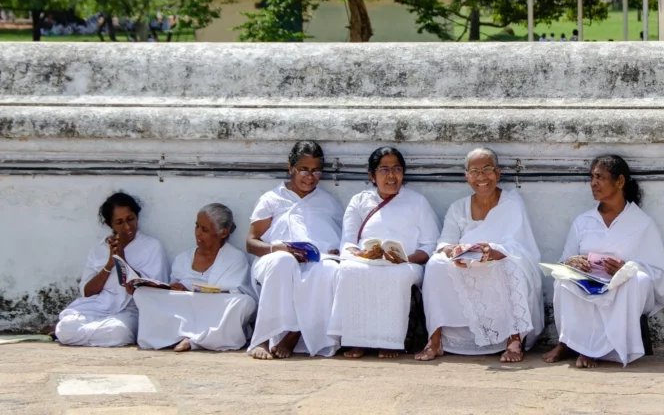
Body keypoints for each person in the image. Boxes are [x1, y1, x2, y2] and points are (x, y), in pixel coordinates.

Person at [416, 148, 543, 363]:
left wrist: (495, 252)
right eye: (474, 171)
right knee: (436, 264)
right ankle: (435, 340)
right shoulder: (458, 207)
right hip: (466, 262)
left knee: (509, 265)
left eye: (487, 170)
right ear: (466, 176)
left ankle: (512, 340)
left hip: (497, 260)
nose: (481, 177)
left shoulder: (511, 203)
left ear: (498, 173)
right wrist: (454, 251)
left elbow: (519, 246)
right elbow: (444, 242)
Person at [542, 155, 664, 368]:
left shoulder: (642, 223)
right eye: (591, 177)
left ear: (619, 182)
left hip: (623, 286)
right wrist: (573, 262)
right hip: (588, 283)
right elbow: (564, 260)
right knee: (563, 280)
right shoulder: (583, 221)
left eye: (600, 177)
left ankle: (601, 349)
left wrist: (626, 269)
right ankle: (569, 343)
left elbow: (657, 273)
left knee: (635, 281)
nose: (593, 183)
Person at [328, 146, 441, 359]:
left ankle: (390, 342)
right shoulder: (359, 201)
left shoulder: (417, 202)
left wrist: (404, 258)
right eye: (384, 170)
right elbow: (348, 243)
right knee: (348, 271)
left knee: (396, 276)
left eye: (396, 169)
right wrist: (361, 255)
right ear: (372, 176)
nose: (391, 176)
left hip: (406, 264)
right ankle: (357, 341)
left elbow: (429, 245)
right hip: (366, 261)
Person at [247, 140, 344, 360]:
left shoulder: (327, 202)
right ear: (290, 167)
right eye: (303, 170)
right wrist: (276, 247)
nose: (310, 177)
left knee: (329, 269)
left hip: (315, 262)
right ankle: (262, 338)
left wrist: (334, 252)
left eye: (316, 171)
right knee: (284, 261)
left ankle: (292, 335)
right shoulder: (272, 199)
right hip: (274, 260)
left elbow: (338, 239)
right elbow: (251, 243)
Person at [133, 203, 256, 352]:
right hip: (185, 306)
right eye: (197, 226)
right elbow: (172, 288)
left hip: (215, 308)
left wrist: (197, 293)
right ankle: (181, 336)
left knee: (244, 303)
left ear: (223, 233)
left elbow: (239, 293)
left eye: (204, 230)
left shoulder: (235, 258)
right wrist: (175, 289)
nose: (198, 233)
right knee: (142, 294)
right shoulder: (183, 258)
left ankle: (195, 340)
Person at [55, 193, 169, 347]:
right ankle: (85, 335)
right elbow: (87, 292)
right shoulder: (99, 249)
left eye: (131, 219)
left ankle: (79, 336)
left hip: (130, 311)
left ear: (137, 217)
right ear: (111, 225)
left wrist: (122, 259)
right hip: (98, 307)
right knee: (65, 328)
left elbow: (158, 290)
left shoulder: (152, 246)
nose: (127, 227)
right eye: (119, 222)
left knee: (119, 332)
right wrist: (109, 264)